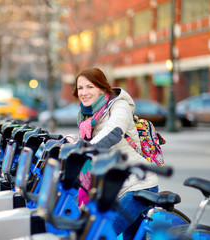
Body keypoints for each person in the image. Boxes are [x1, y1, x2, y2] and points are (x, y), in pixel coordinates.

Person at [72, 67, 159, 239]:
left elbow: (113, 131)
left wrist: (87, 151)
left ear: (103, 88)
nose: (84, 92)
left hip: (137, 185)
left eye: (90, 87)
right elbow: (86, 142)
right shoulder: (87, 117)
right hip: (115, 187)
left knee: (99, 234)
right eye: (80, 88)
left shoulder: (120, 106)